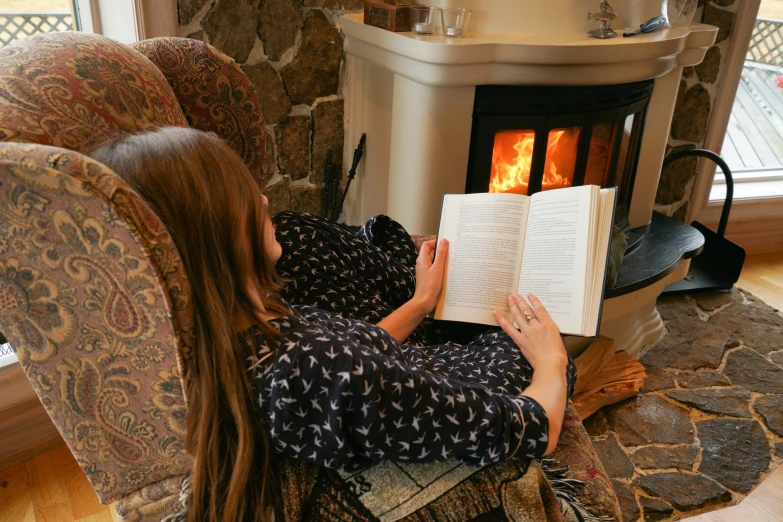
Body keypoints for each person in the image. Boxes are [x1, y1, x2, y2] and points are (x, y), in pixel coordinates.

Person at [89, 127, 575, 522]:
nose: (261, 199)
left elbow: (365, 345)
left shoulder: (233, 335)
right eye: (239, 197)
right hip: (442, 394)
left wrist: (421, 300)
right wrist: (552, 360)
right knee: (526, 348)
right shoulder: (316, 368)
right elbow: (531, 428)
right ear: (208, 242)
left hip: (393, 375)